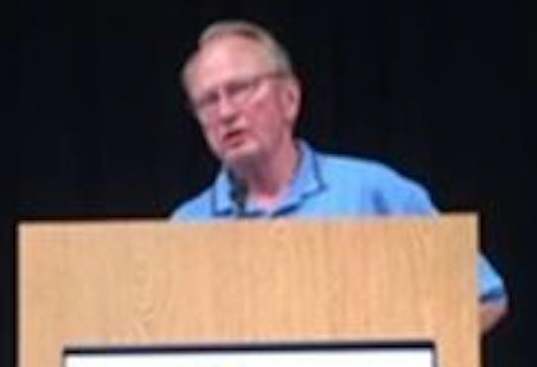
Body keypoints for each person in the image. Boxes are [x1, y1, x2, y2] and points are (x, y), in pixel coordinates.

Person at [172, 19, 509, 333]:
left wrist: (407, 356)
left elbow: (485, 297)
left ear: (289, 99)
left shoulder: (371, 192)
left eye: (239, 89)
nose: (226, 112)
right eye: (208, 101)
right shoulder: (185, 229)